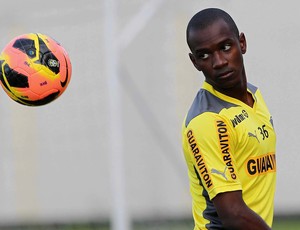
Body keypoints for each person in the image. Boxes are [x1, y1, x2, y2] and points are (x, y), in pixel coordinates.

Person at [182, 8, 276, 230]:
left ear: (241, 43)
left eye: (225, 47)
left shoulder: (255, 96)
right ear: (194, 62)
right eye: (204, 55)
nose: (219, 62)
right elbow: (232, 214)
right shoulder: (207, 121)